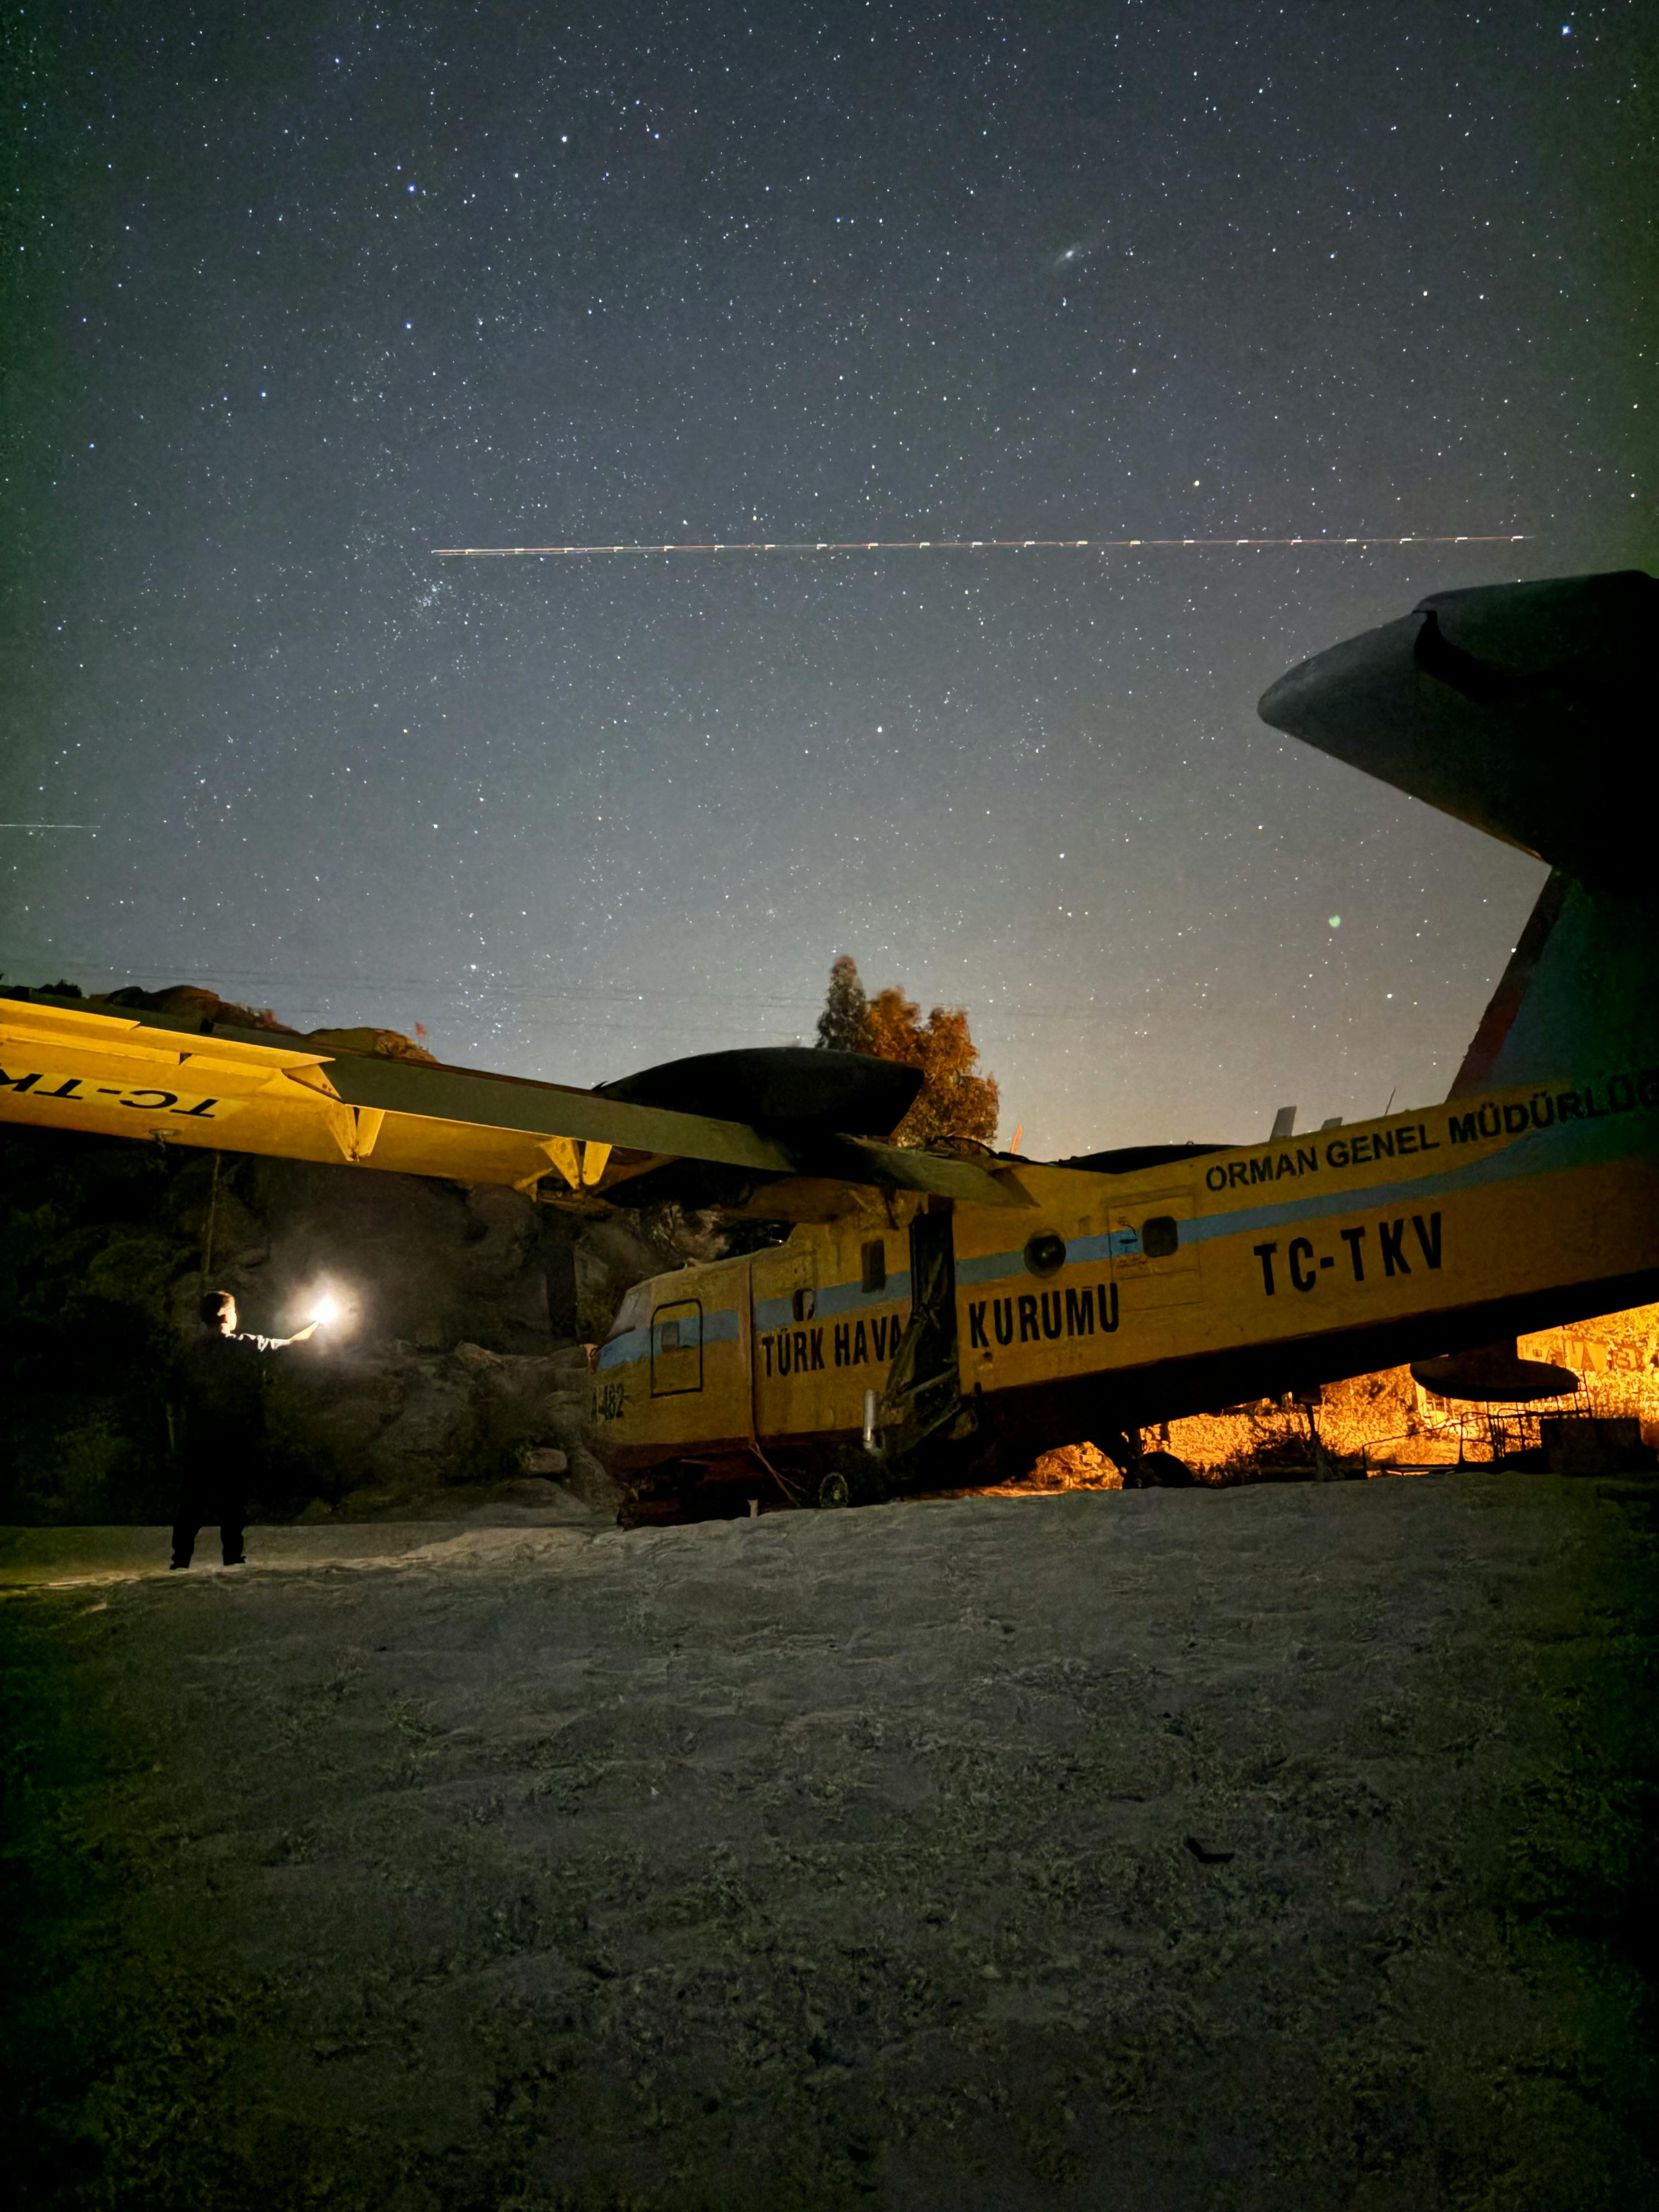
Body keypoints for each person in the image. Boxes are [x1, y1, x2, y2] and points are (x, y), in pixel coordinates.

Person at [171, 1290, 319, 1569]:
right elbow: (292, 1345)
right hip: (235, 1437)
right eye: (235, 1311)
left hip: (198, 1440)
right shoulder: (246, 1346)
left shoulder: (188, 1352)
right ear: (227, 1316)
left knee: (192, 1500)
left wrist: (176, 1441)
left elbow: (172, 1398)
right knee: (233, 1500)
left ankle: (180, 1560)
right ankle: (232, 1558)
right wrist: (318, 1325)